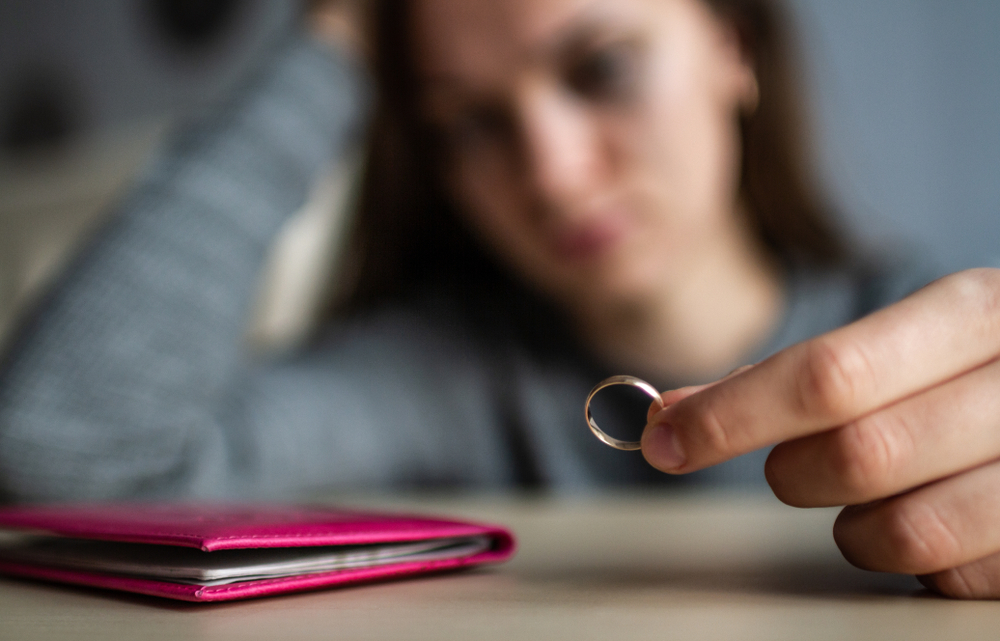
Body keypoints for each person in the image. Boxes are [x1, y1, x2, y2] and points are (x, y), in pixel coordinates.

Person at [0, 0, 997, 599]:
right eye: (468, 122)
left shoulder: (931, 331)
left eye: (600, 68)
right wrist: (336, 40)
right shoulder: (434, 374)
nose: (553, 175)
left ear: (732, 46)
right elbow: (63, 452)